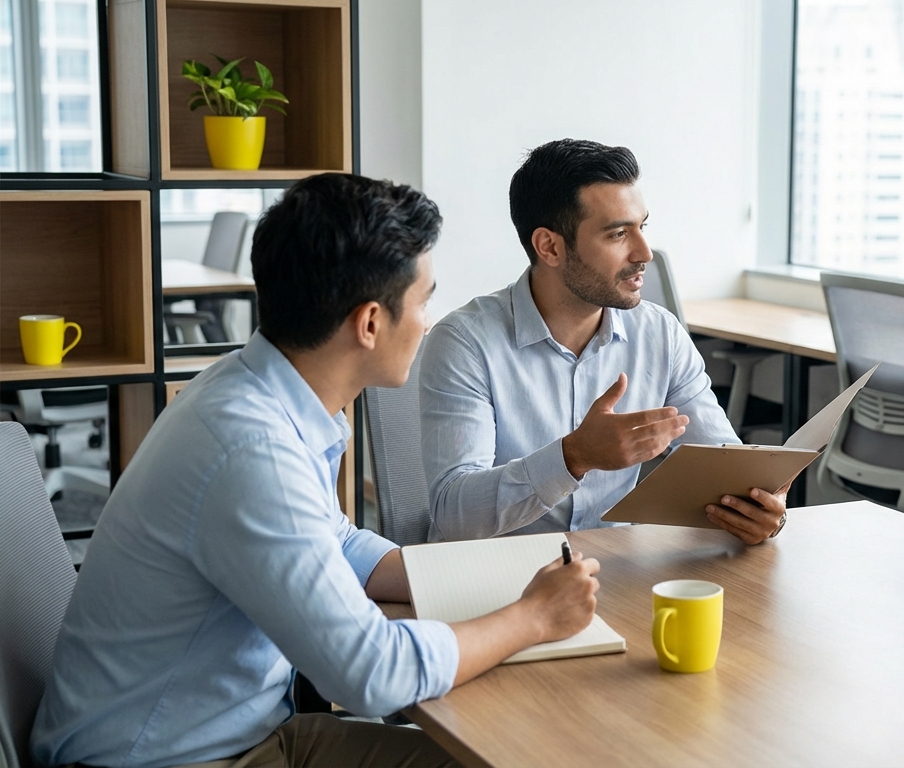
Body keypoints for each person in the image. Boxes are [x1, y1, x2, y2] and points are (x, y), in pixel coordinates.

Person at [31, 174, 601, 768]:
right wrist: (531, 616)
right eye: (425, 300)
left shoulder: (259, 392)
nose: (429, 322)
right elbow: (370, 673)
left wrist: (473, 577)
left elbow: (336, 541)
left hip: (241, 734)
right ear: (370, 323)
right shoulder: (250, 449)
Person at [420, 139, 787, 545]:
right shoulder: (464, 343)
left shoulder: (659, 334)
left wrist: (759, 509)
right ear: (550, 247)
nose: (644, 252)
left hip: (611, 570)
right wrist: (573, 457)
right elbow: (453, 513)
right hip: (495, 576)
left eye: (642, 227)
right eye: (617, 234)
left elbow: (725, 469)